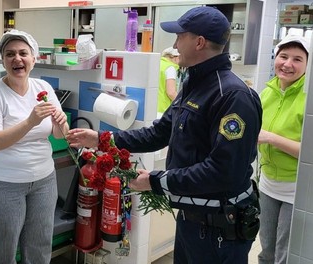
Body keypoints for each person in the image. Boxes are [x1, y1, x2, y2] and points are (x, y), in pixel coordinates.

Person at [67, 6, 262, 263]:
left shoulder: (233, 96)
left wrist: (155, 180)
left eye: (181, 36)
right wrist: (101, 140)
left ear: (199, 42)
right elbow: (157, 134)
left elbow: (223, 171)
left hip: (220, 230)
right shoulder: (194, 84)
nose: (175, 44)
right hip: (191, 220)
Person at [0, 30, 69, 264]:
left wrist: (62, 123)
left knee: (39, 246)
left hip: (44, 181)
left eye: (23, 53)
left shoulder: (42, 88)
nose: (17, 59)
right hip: (1, 183)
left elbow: (59, 135)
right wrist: (30, 122)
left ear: (33, 59)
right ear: (3, 61)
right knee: (3, 250)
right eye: (10, 54)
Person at [257, 34, 310, 264]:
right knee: (266, 250)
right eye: (283, 56)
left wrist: (271, 138)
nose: (288, 64)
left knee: (284, 255)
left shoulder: (308, 98)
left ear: (308, 65)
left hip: (295, 189)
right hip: (267, 184)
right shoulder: (267, 91)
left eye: (297, 59)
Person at [157, 47, 180, 113]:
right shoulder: (170, 68)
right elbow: (171, 92)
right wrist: (181, 104)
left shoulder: (157, 64)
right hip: (163, 108)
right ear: (174, 57)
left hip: (153, 106)